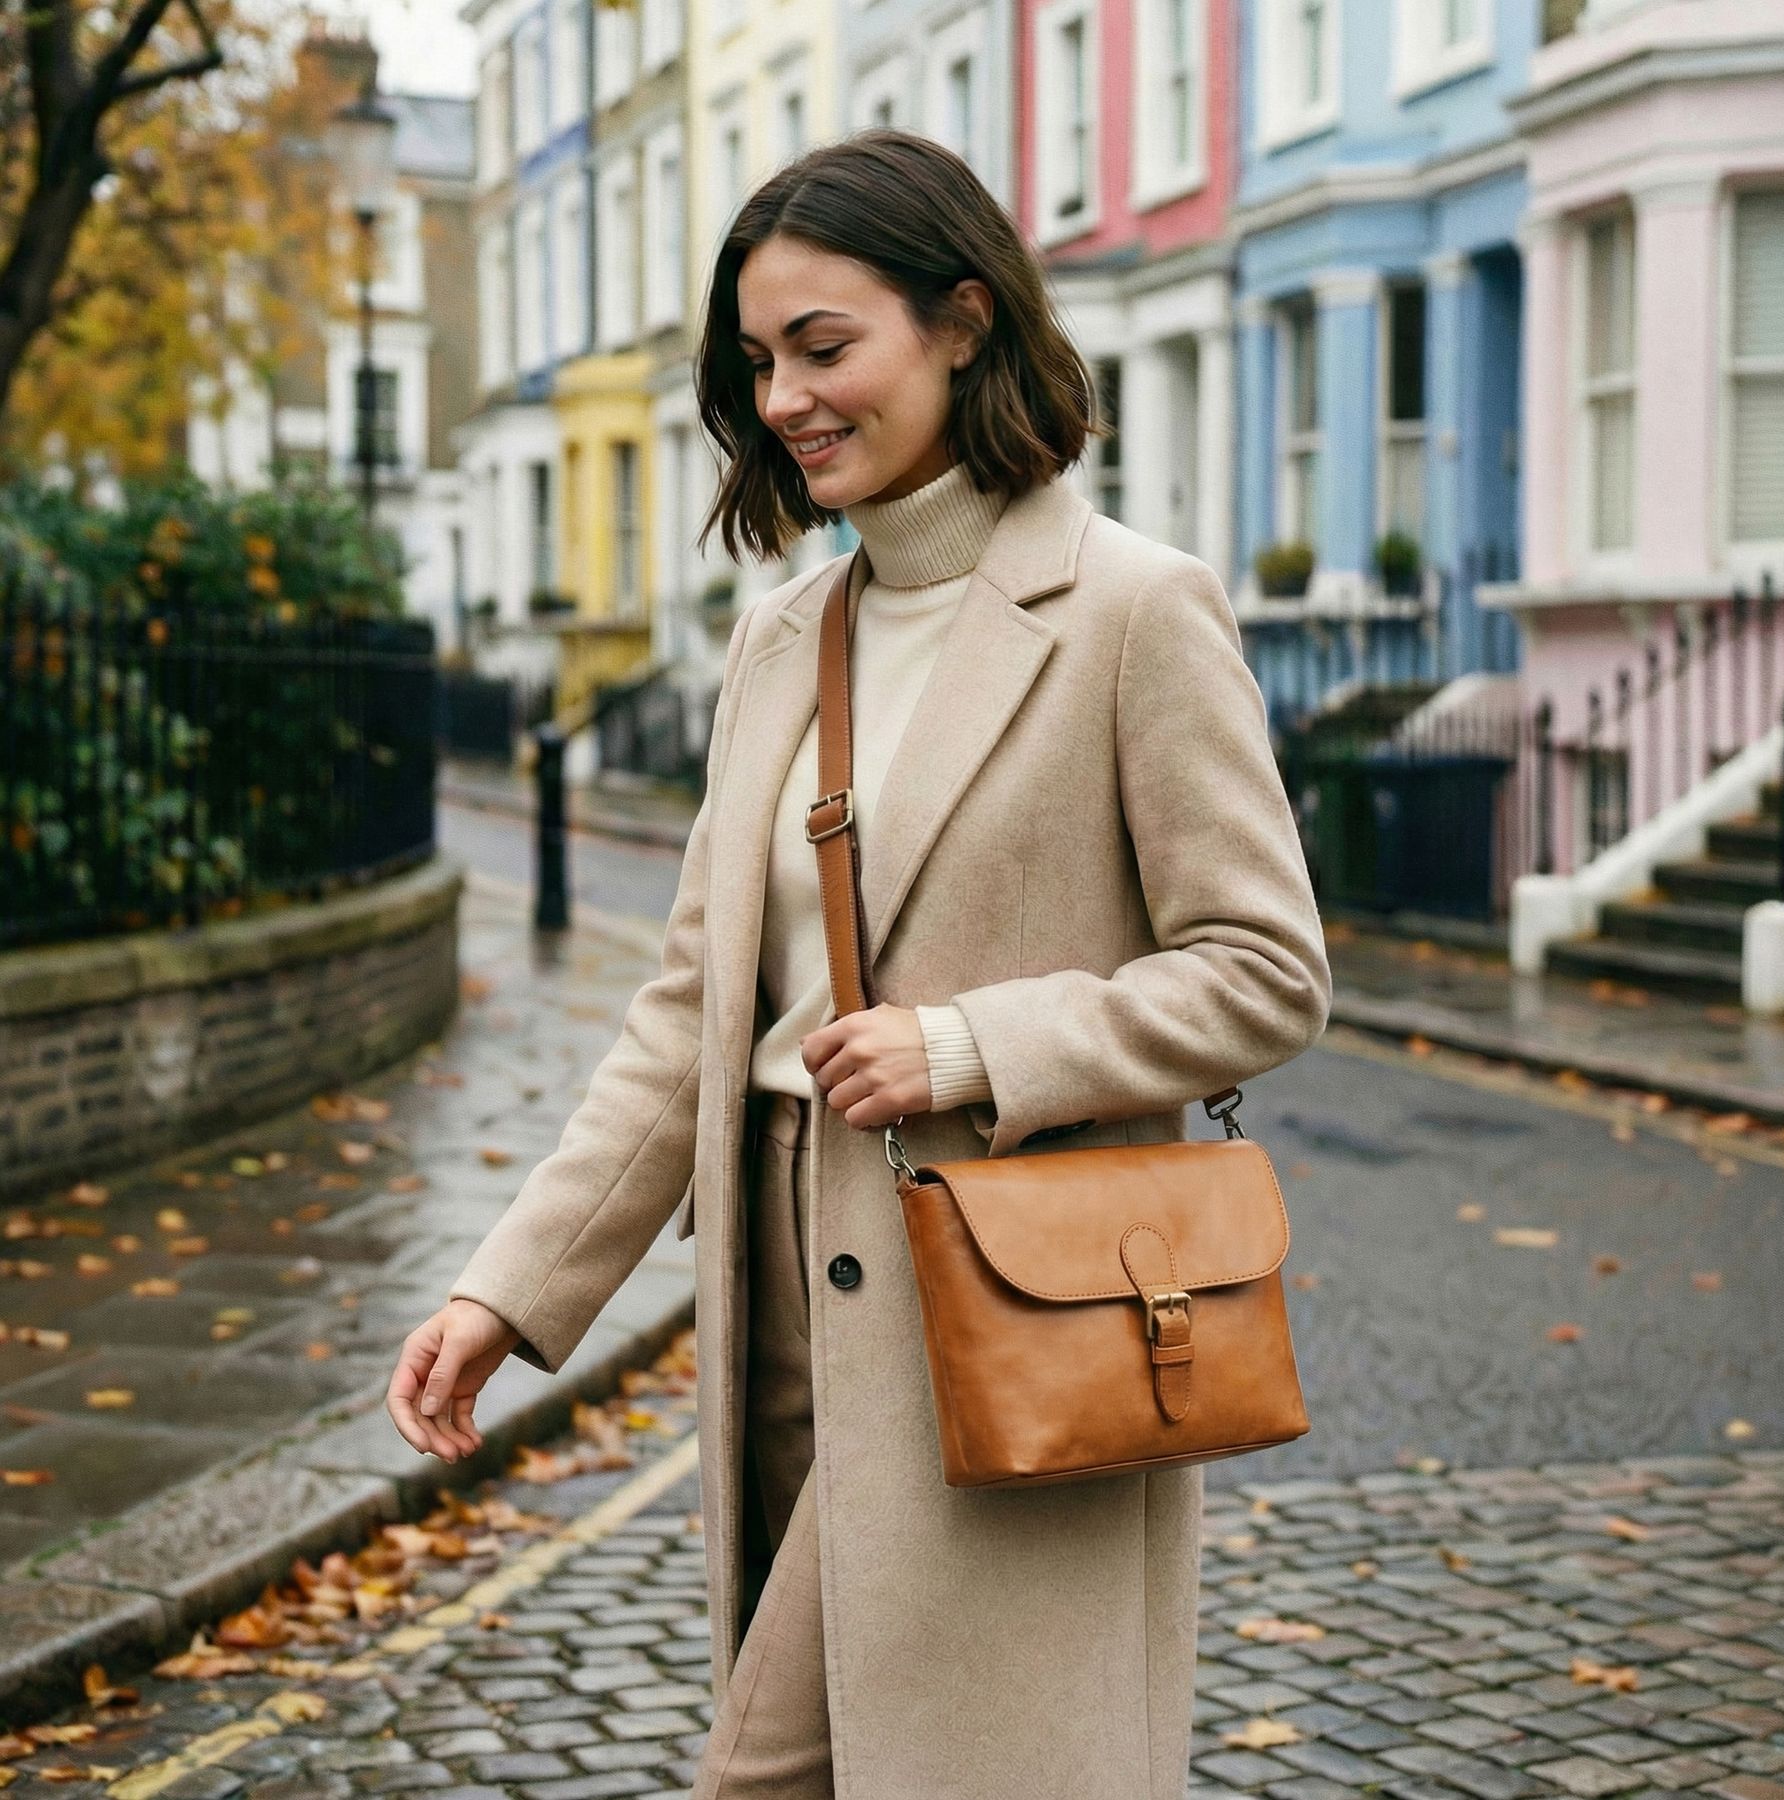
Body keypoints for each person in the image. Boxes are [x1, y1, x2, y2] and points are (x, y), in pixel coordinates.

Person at [387, 128, 1332, 1800]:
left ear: (964, 322)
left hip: (1008, 1297)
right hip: (772, 1272)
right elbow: (689, 1011)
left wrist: (976, 1042)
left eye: (826, 349)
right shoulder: (780, 638)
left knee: (798, 1773)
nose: (787, 399)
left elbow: (1264, 969)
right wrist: (507, 1290)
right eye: (760, 363)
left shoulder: (1134, 611)